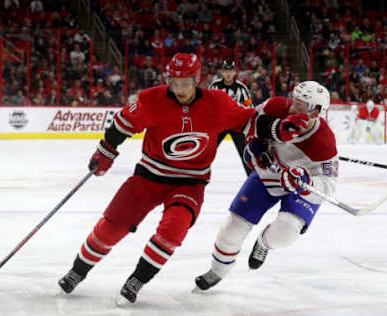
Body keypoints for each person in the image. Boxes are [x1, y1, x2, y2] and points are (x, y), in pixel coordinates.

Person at [58, 53, 308, 304]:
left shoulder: (217, 103)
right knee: (112, 224)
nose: (179, 88)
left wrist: (279, 128)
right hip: (149, 176)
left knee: (174, 228)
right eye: (174, 82)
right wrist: (105, 152)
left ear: (196, 80)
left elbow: (249, 121)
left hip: (190, 182)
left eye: (185, 82)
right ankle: (77, 271)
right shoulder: (152, 100)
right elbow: (123, 124)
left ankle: (137, 279)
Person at [194, 81, 339, 291]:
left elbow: (329, 184)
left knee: (286, 232)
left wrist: (307, 183)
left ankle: (263, 243)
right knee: (232, 227)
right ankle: (217, 271)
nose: (292, 108)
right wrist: (254, 145)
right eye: (294, 101)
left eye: (300, 106)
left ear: (316, 112)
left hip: (300, 186)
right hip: (269, 175)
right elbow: (250, 123)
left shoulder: (324, 141)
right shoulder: (276, 106)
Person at [209, 60, 254, 176]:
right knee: (207, 152)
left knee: (245, 155)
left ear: (234, 72)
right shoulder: (215, 86)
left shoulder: (242, 88)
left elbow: (249, 107)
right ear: (222, 72)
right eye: (225, 71)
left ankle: (252, 180)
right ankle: (197, 176)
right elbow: (207, 105)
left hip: (237, 126)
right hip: (219, 125)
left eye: (230, 71)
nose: (228, 74)